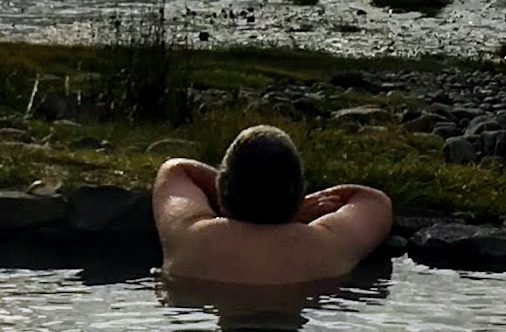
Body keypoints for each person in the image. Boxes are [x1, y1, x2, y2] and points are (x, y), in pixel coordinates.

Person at [153, 125, 393, 291]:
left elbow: (176, 170)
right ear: (298, 192)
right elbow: (373, 200)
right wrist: (291, 210)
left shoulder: (191, 236)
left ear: (223, 188)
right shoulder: (326, 244)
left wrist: (239, 193)